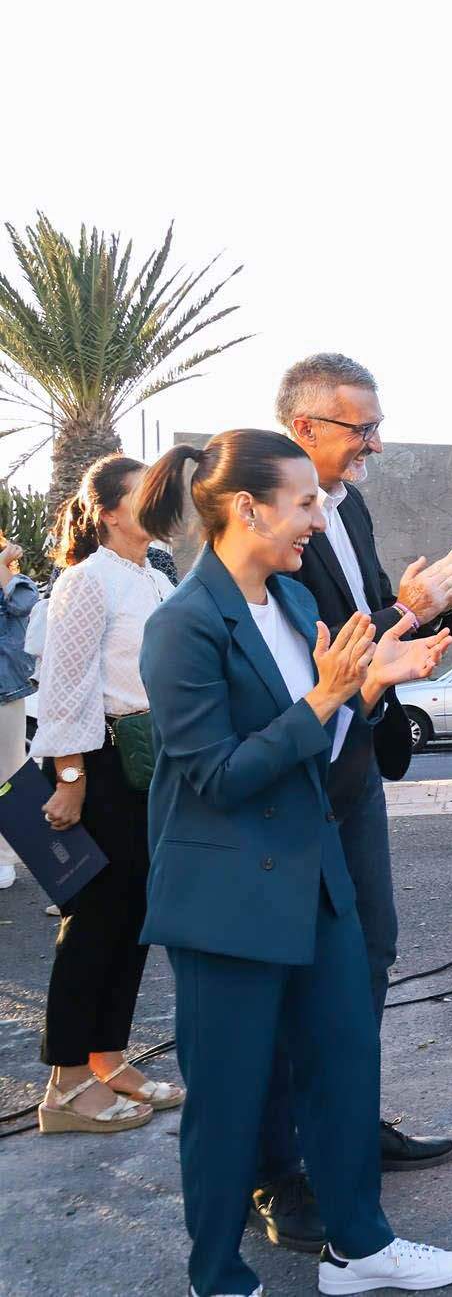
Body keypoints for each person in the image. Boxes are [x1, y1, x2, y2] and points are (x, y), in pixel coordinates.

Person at [134, 429, 452, 1296]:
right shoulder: (181, 625)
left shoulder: (287, 604)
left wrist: (366, 685)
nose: (319, 518)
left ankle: (361, 1246)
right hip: (227, 898)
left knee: (344, 1063)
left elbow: (312, 739)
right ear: (248, 507)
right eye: (305, 502)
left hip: (316, 877)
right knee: (230, 1100)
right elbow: (218, 773)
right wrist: (327, 696)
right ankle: (218, 1275)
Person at [256, 352, 452, 1250]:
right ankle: (276, 1172)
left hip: (354, 769)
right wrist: (411, 604)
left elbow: (375, 630)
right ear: (305, 427)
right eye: (362, 429)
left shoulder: (348, 503)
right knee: (288, 975)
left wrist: (433, 607)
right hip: (295, 777)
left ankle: (345, 1127)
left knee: (368, 954)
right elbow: (322, 654)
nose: (377, 445)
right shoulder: (262, 520)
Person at [29, 455, 184, 1136]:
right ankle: (63, 1086)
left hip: (148, 764)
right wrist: (70, 778)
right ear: (113, 511)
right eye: (145, 492)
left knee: (133, 917)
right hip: (96, 761)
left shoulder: (155, 578)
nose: (162, 500)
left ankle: (108, 1059)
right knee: (93, 922)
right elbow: (66, 682)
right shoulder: (86, 582)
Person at [0, 529, 37, 891]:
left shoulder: (15, 581)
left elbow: (25, 606)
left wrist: (1, 567)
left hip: (4, 691)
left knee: (8, 773)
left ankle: (4, 856)